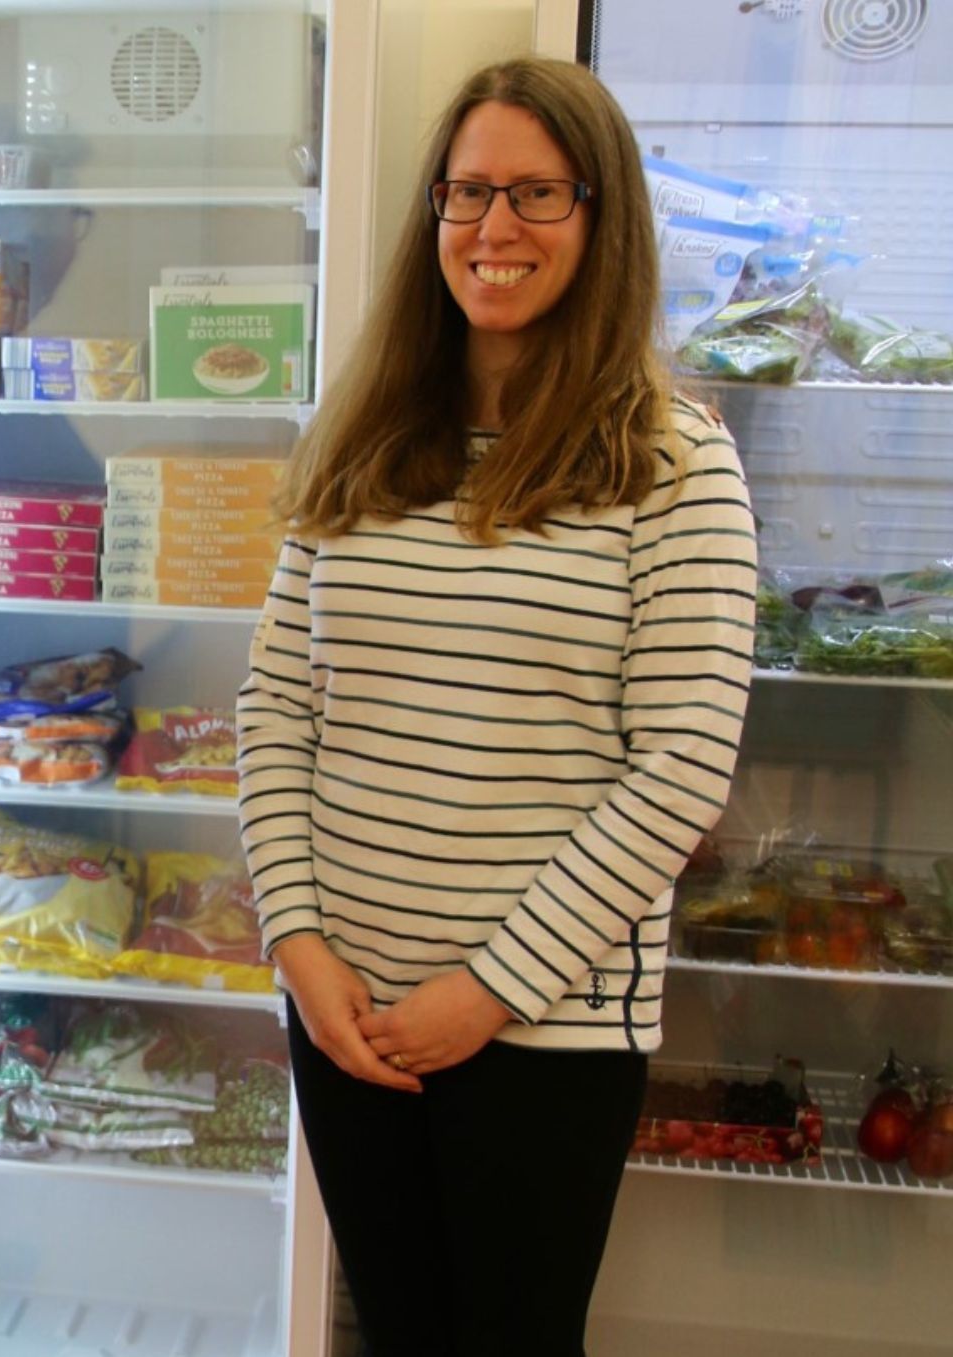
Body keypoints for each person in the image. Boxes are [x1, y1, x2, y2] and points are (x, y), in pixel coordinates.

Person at [236, 57, 756, 1356]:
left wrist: (489, 990)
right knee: (403, 1331)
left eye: (536, 193)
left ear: (602, 217)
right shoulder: (362, 437)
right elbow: (275, 712)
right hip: (349, 1014)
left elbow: (682, 766)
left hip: (550, 1028)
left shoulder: (670, 460)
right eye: (467, 193)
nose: (494, 228)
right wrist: (301, 947)